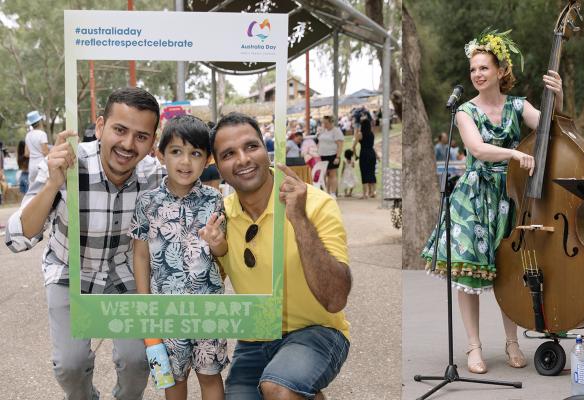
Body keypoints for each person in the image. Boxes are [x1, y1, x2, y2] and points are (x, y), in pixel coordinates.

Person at [5, 87, 164, 399]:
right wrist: (53, 183)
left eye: (141, 136)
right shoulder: (66, 164)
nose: (128, 145)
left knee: (138, 361)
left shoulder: (155, 175)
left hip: (126, 273)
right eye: (120, 130)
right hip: (69, 270)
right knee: (70, 365)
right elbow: (16, 239)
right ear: (101, 127)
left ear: (153, 141)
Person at [420, 28, 563, 374]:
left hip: (511, 196)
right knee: (469, 272)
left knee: (510, 271)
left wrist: (557, 97)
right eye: (473, 70)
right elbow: (478, 149)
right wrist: (514, 153)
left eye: (484, 68)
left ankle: (512, 341)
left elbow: (551, 129)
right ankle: (473, 347)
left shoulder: (517, 105)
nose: (477, 75)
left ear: (501, 71)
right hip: (474, 196)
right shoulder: (465, 111)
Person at [210, 113, 352, 399]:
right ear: (218, 167)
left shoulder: (315, 203)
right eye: (228, 154)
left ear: (267, 150)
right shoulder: (219, 217)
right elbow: (202, 291)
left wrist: (299, 219)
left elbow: (335, 298)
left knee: (280, 388)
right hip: (254, 340)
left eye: (251, 147)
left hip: (318, 332)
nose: (243, 159)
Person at [130, 115, 229, 400]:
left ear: (207, 159)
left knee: (210, 377)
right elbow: (140, 255)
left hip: (208, 307)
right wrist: (144, 301)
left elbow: (221, 252)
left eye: (195, 153)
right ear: (160, 155)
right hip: (165, 310)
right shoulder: (147, 202)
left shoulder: (214, 199)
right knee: (173, 381)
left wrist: (218, 242)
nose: (185, 162)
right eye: (176, 152)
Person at [315, 115, 344, 197]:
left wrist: (337, 157)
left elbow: (340, 145)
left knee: (332, 175)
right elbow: (319, 142)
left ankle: (333, 193)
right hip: (322, 155)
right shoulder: (322, 131)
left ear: (331, 122)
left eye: (326, 123)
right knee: (323, 174)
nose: (324, 124)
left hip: (332, 155)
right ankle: (325, 192)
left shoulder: (336, 131)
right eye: (323, 123)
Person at [354, 108, 378, 198]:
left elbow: (354, 146)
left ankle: (365, 194)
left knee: (364, 173)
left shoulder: (360, 134)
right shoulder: (372, 134)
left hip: (364, 154)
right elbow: (372, 145)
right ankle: (373, 192)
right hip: (371, 153)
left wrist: (355, 154)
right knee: (371, 172)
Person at [24, 111, 50, 185]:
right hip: (41, 164)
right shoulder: (42, 134)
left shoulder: (28, 135)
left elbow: (26, 153)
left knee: (33, 190)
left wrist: (34, 153)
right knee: (44, 188)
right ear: (39, 122)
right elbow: (45, 152)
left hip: (31, 165)